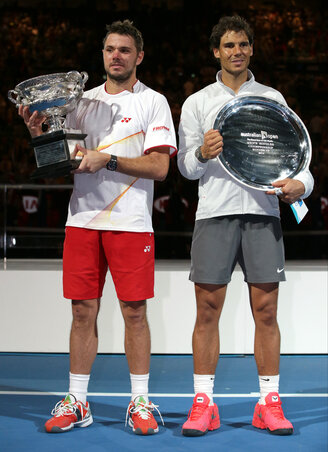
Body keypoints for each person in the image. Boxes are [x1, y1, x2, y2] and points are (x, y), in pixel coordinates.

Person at [19, 19, 177, 435]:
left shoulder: (153, 102)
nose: (116, 56)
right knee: (81, 311)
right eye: (110, 49)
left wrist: (106, 159)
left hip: (131, 224)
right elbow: (60, 163)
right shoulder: (78, 101)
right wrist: (39, 135)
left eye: (125, 50)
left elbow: (160, 167)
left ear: (139, 56)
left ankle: (140, 401)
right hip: (83, 221)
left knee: (135, 313)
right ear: (102, 54)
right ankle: (78, 402)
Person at [177, 15, 314, 437]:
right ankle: (203, 404)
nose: (236, 51)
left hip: (263, 216)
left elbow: (299, 162)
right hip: (214, 215)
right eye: (228, 45)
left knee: (267, 312)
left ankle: (269, 403)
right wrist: (201, 152)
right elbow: (184, 167)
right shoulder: (198, 102)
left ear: (251, 49)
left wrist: (299, 186)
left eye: (243, 44)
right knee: (207, 311)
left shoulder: (272, 97)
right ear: (215, 51)